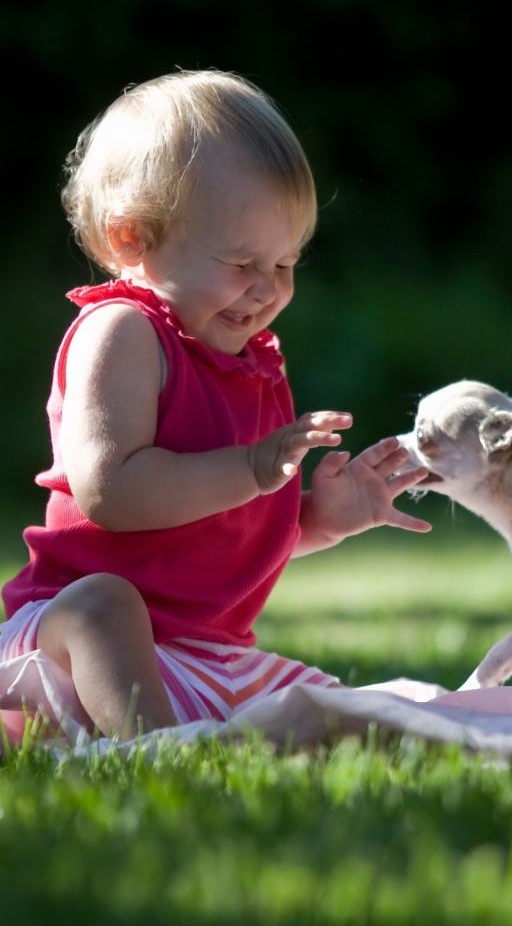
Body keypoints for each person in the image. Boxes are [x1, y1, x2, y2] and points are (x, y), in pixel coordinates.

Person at [0, 70, 431, 743]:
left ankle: (159, 732)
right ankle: (154, 752)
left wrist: (319, 520)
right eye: (240, 263)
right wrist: (256, 468)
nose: (266, 290)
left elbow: (219, 533)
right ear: (131, 239)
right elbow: (110, 492)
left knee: (355, 718)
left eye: (286, 264)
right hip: (68, 646)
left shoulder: (250, 361)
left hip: (196, 657)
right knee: (105, 606)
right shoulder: (124, 331)